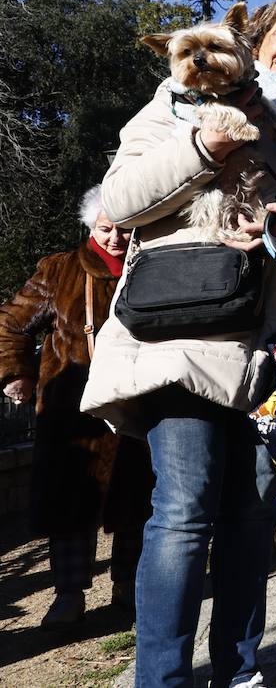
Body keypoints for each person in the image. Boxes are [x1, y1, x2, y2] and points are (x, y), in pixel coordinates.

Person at [81, 0, 276, 687]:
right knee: (184, 512)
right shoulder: (163, 111)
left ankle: (239, 670)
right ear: (255, 40)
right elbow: (119, 202)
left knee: (247, 517)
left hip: (269, 346)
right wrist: (203, 146)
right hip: (177, 340)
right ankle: (162, 677)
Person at [0, 187, 153, 630]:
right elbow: (9, 323)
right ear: (90, 226)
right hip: (74, 413)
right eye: (106, 229)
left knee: (137, 502)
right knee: (71, 506)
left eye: (125, 229)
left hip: (139, 404)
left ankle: (128, 586)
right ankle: (68, 595)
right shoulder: (60, 270)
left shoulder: (152, 266)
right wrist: (17, 374)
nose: (116, 239)